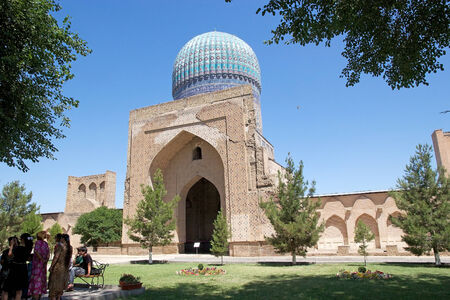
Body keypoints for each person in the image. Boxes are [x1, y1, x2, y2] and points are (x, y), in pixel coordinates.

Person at [1, 234, 31, 300]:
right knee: (19, 291)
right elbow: (19, 251)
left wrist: (11, 245)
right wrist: (16, 243)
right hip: (23, 269)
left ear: (23, 240)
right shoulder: (28, 247)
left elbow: (10, 255)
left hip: (15, 270)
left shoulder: (19, 248)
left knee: (6, 290)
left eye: (21, 238)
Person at [48, 234, 72, 300]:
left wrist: (51, 266)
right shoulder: (70, 247)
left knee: (53, 289)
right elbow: (69, 259)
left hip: (57, 269)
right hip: (65, 269)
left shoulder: (60, 246)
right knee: (59, 290)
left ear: (63, 239)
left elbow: (56, 257)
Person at [27, 232, 49, 300]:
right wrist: (46, 260)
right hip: (43, 265)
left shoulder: (38, 242)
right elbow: (48, 253)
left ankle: (35, 298)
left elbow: (36, 251)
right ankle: (38, 297)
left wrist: (41, 259)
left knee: (36, 281)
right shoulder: (45, 243)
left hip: (37, 265)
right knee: (41, 281)